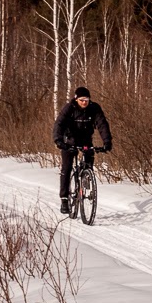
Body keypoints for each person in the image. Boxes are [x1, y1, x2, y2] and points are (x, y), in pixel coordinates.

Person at [52, 86, 113, 214]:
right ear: (76, 99)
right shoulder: (69, 108)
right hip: (70, 140)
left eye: (86, 99)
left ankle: (84, 176)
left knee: (88, 163)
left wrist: (107, 142)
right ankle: (64, 198)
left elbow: (102, 124)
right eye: (82, 100)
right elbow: (59, 124)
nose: (84, 102)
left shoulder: (94, 108)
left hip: (86, 140)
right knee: (67, 168)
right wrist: (58, 140)